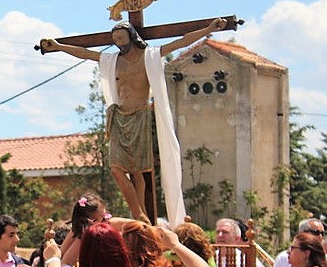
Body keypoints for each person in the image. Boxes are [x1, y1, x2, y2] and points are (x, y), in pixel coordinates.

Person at [40, 19, 225, 222]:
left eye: (122, 38)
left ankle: (142, 215)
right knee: (117, 169)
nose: (119, 43)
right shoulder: (112, 61)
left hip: (140, 115)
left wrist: (208, 29)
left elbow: (181, 42)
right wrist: (58, 46)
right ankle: (138, 212)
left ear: (132, 37)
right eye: (116, 40)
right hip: (119, 116)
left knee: (137, 170)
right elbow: (85, 53)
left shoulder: (149, 57)